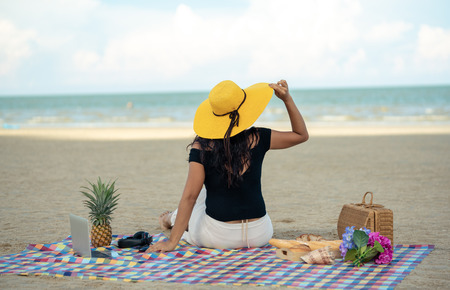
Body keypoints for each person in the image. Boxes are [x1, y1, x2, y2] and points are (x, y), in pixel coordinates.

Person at [147, 79, 308, 253]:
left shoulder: (202, 146)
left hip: (219, 236)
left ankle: (170, 219)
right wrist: (287, 99)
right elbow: (301, 135)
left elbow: (189, 197)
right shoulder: (257, 137)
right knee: (203, 193)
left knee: (198, 193)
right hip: (260, 233)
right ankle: (172, 218)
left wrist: (172, 243)